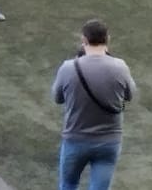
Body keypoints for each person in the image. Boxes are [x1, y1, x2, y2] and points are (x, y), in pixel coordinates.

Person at [52, 19, 137, 190]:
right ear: (107, 39)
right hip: (109, 141)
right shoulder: (120, 67)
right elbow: (130, 95)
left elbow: (57, 98)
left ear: (84, 40)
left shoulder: (68, 68)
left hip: (76, 138)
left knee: (68, 184)